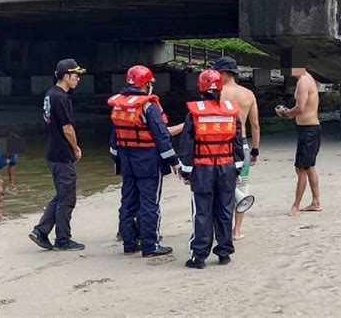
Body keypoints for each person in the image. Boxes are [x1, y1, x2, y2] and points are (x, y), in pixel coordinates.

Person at [108, 65, 180, 257]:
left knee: (128, 202)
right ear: (146, 84)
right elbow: (162, 136)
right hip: (148, 161)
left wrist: (116, 159)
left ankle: (129, 243)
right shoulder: (148, 105)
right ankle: (150, 245)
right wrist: (174, 161)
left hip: (126, 160)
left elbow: (114, 139)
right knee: (149, 203)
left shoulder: (119, 105)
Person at [179, 69, 244, 269]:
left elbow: (187, 145)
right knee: (225, 210)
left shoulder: (194, 113)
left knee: (202, 212)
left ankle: (199, 256)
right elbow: (238, 144)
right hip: (226, 167)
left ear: (200, 88)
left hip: (203, 168)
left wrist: (186, 171)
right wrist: (238, 171)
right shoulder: (231, 112)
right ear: (220, 88)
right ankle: (224, 253)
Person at [29, 58, 86, 251]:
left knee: (62, 195)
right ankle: (62, 239)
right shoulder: (61, 98)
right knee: (68, 198)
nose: (78, 78)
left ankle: (41, 231)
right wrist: (76, 148)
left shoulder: (50, 94)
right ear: (65, 76)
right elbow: (67, 128)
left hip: (52, 152)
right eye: (75, 75)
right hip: (62, 154)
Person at [214, 56, 260, 240]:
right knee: (243, 184)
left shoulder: (217, 92)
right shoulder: (248, 94)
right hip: (242, 144)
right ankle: (237, 231)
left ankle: (220, 229)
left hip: (221, 144)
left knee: (220, 186)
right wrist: (255, 150)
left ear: (223, 73)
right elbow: (255, 125)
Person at [275, 65, 321, 216]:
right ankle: (315, 202)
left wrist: (285, 113)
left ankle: (296, 206)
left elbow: (300, 109)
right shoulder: (306, 79)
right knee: (309, 167)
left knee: (301, 169)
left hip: (308, 130)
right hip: (309, 129)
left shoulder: (303, 82)